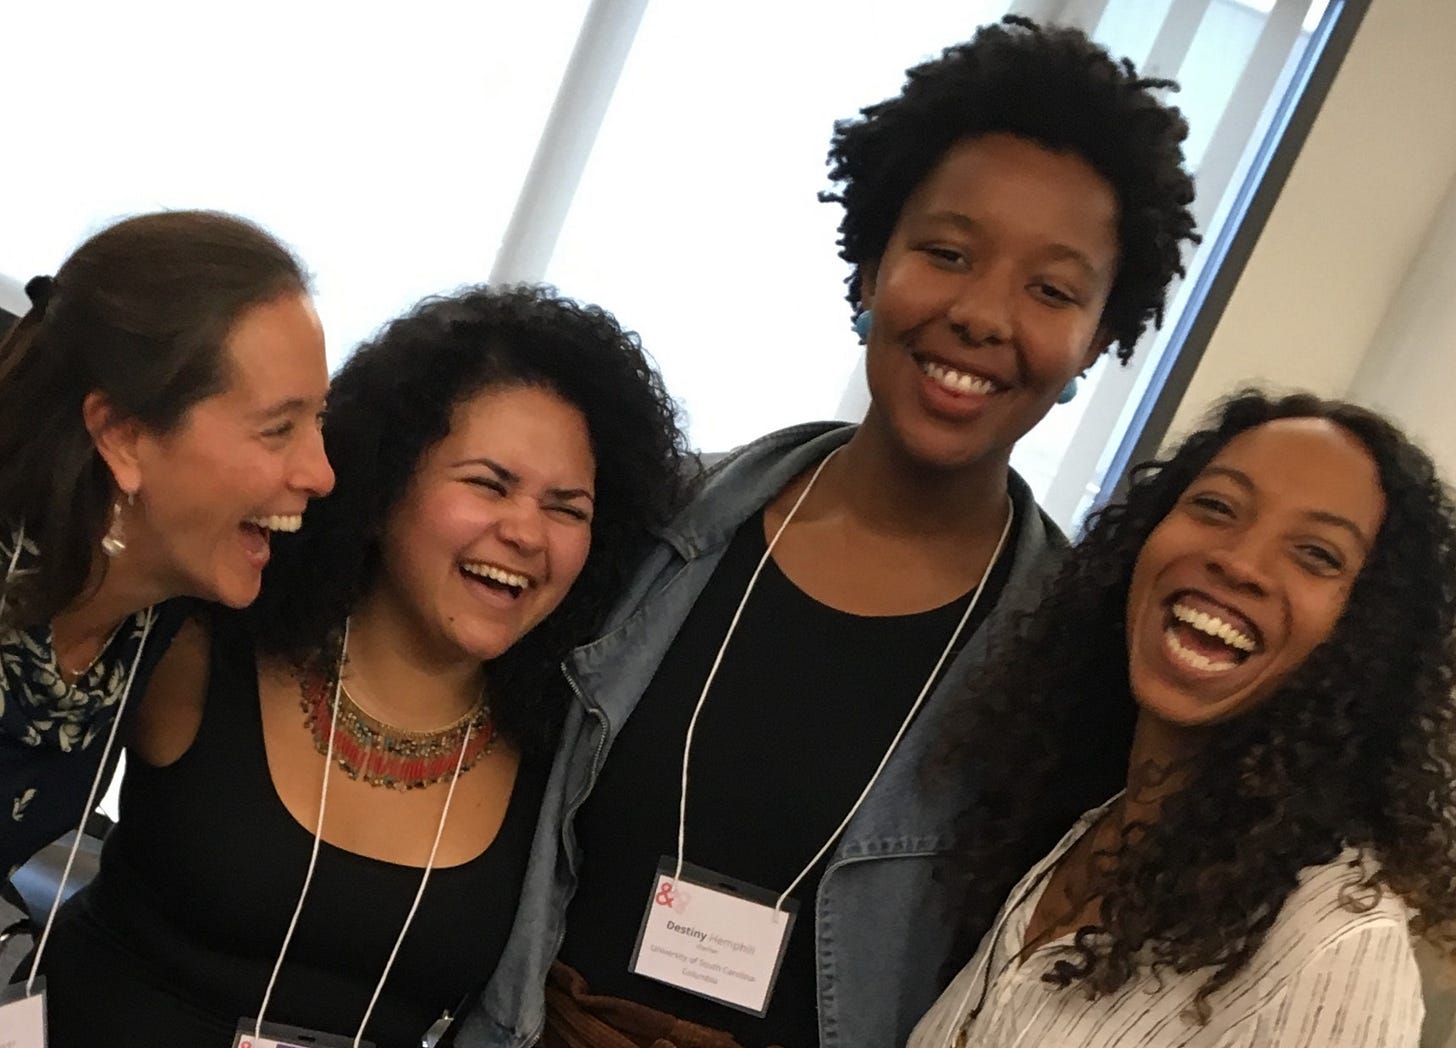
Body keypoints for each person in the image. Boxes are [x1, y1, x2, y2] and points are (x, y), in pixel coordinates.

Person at [509, 15, 1201, 1048]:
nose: (980, 313)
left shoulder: (1079, 664)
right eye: (947, 251)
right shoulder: (646, 523)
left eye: (1049, 289)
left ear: (1098, 337)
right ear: (872, 262)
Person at [29, 284, 690, 1047]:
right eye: (488, 484)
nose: (525, 532)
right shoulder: (205, 642)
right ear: (384, 486)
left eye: (566, 509)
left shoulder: (571, 755)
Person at [910, 390, 1456, 1048]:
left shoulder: (1331, 941)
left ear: (1372, 634)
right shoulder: (1088, 830)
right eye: (1216, 507)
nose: (1239, 560)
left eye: (1317, 554)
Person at [0, 210, 334, 876]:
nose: (321, 473)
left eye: (318, 419)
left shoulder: (158, 618)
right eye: (277, 430)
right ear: (122, 435)